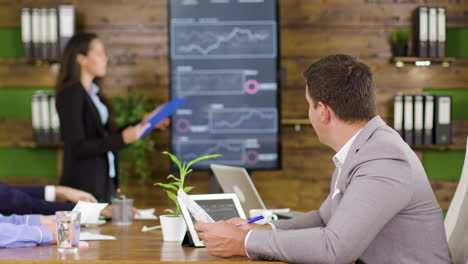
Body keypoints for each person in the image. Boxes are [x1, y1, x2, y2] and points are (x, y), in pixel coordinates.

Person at [195, 54, 452, 263]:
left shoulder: (383, 159)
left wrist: (243, 242)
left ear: (323, 111)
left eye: (309, 104)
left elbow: (335, 248)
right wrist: (263, 229)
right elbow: (324, 219)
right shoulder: (364, 147)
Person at [55, 32, 168, 202]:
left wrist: (145, 123)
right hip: (84, 186)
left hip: (104, 182)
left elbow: (107, 137)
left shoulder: (95, 94)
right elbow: (78, 147)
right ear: (81, 58)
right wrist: (123, 139)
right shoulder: (71, 95)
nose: (105, 59)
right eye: (99, 53)